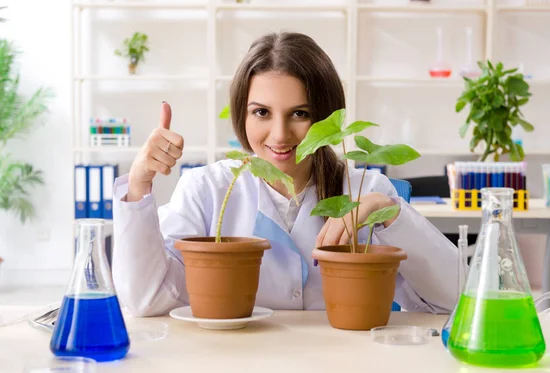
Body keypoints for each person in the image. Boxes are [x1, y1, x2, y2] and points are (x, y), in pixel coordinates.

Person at [112, 32, 458, 317]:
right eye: (261, 112)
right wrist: (139, 184)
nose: (279, 135)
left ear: (327, 117)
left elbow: (457, 299)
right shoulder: (208, 189)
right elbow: (146, 300)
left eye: (300, 114)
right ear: (241, 115)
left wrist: (389, 211)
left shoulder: (367, 191)